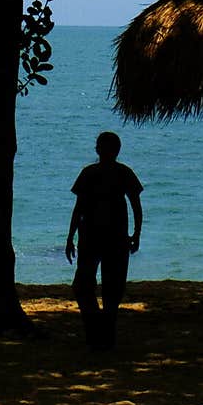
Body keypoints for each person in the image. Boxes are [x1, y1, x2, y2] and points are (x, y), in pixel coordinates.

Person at [65, 130, 143, 349]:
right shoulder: (115, 173)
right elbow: (136, 207)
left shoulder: (94, 173)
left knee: (100, 287)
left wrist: (71, 236)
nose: (99, 149)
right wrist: (71, 237)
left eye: (100, 145)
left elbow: (78, 208)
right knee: (103, 287)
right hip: (101, 237)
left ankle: (100, 332)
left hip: (100, 237)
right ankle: (101, 331)